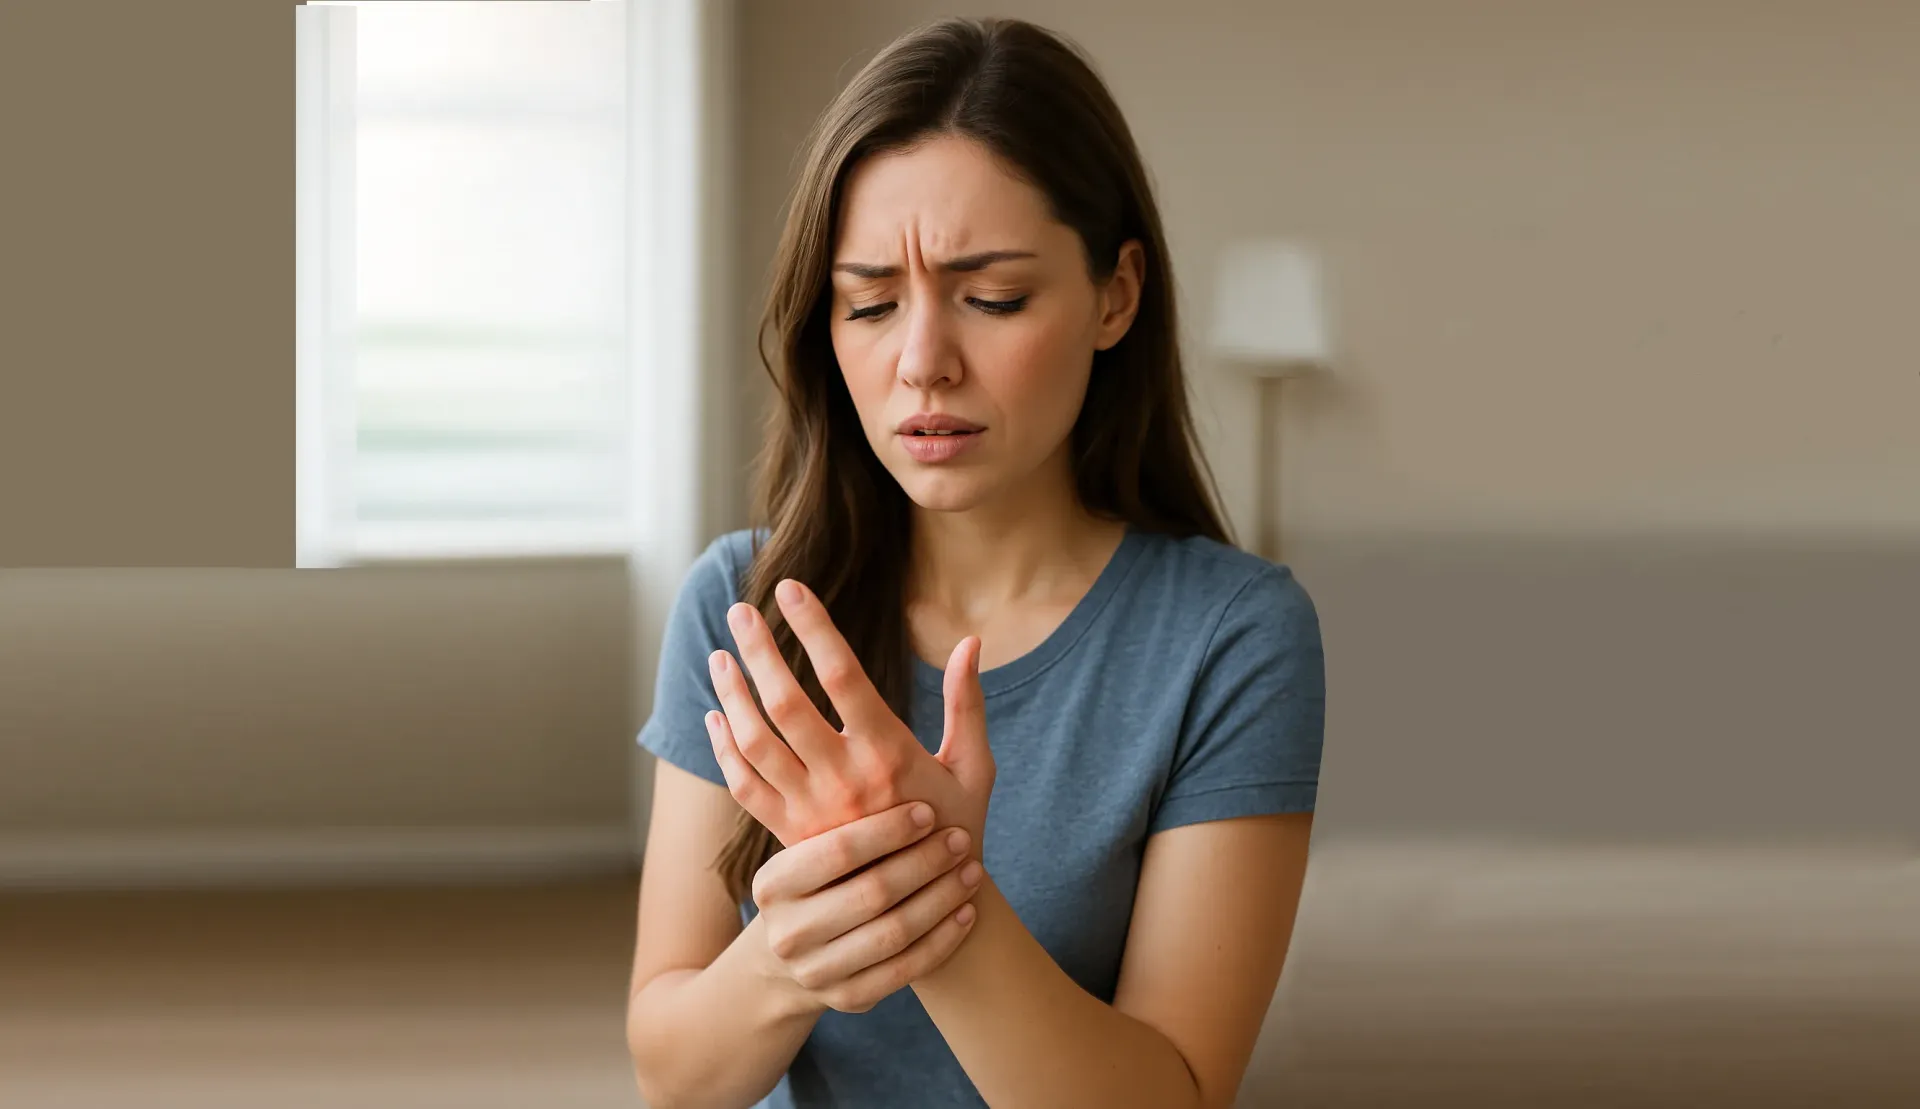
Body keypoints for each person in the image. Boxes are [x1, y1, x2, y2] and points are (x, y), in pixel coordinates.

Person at [625, 16, 1325, 1109]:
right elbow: (673, 1071)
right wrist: (796, 943)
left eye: (992, 298)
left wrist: (928, 892)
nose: (921, 363)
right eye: (868, 303)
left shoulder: (1231, 635)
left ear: (1115, 295)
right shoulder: (741, 605)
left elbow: (1173, 1092)